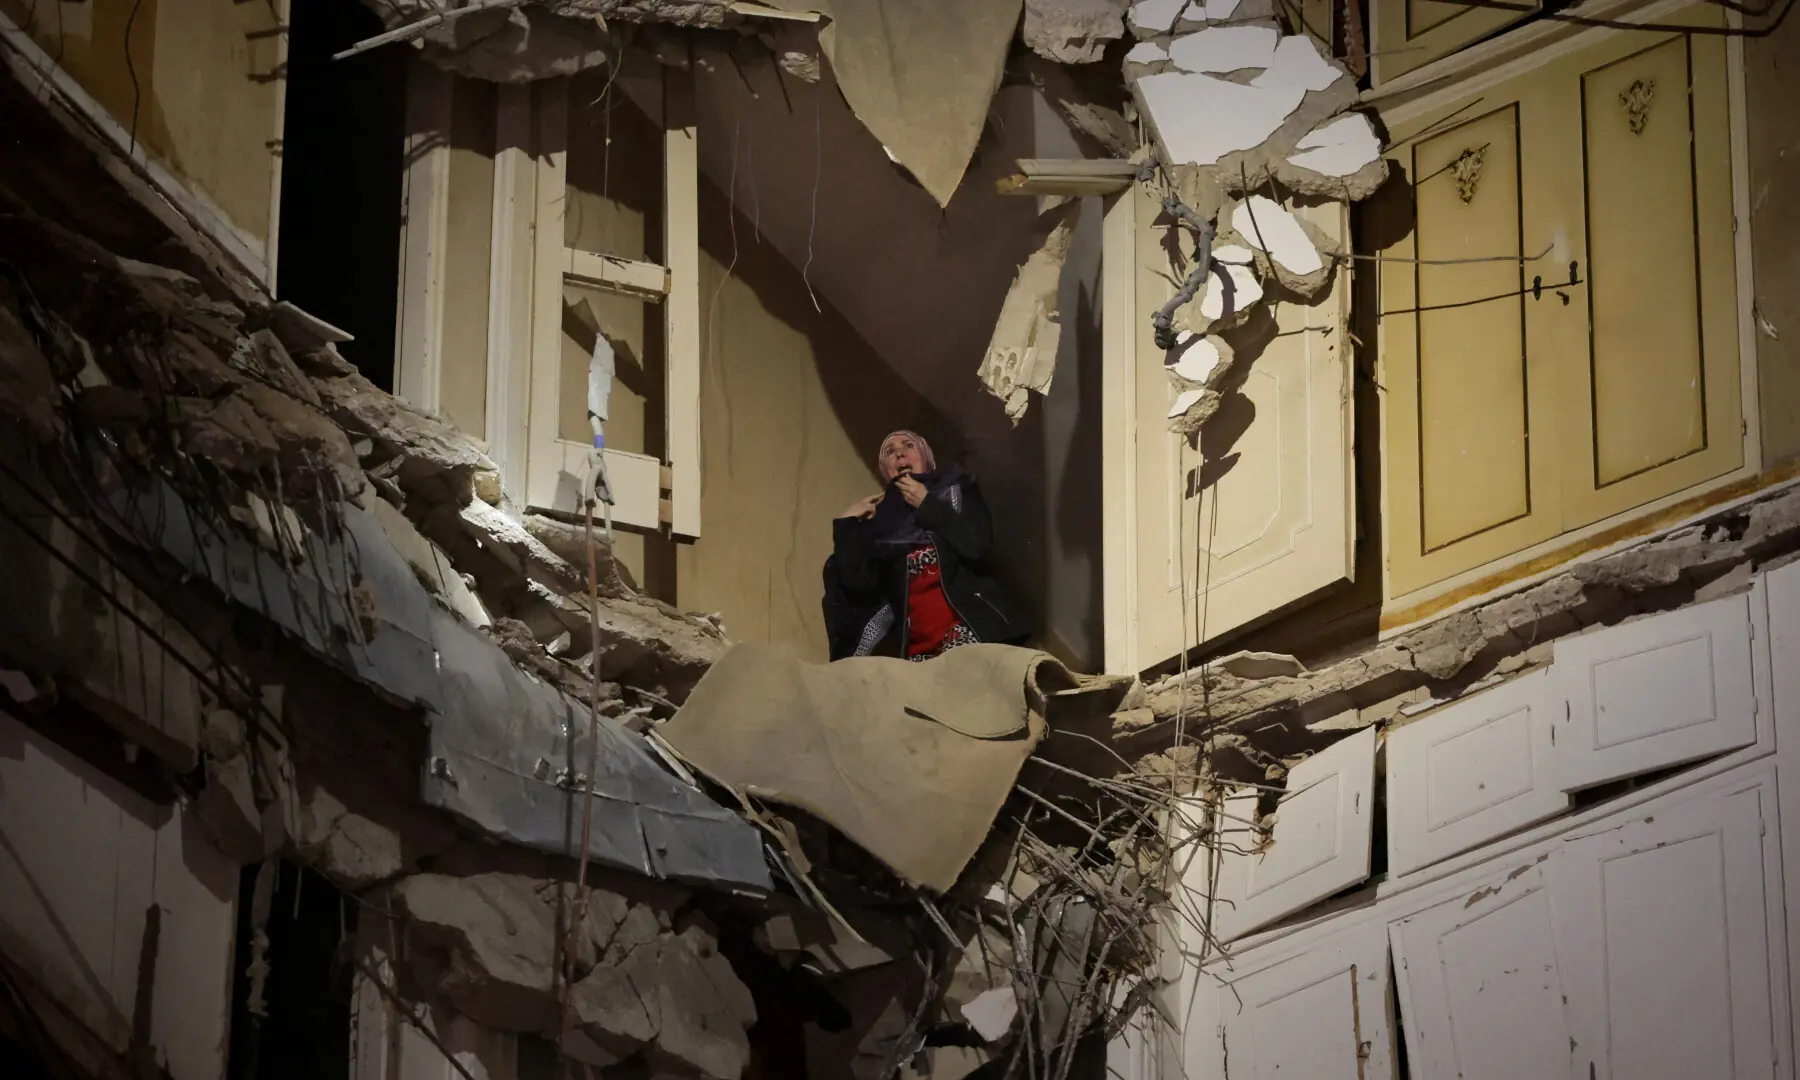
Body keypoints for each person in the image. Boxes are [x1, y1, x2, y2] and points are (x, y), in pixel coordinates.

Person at [822, 430, 1029, 661]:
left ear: (926, 458)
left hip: (972, 632)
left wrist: (927, 503)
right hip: (917, 654)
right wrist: (846, 525)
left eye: (908, 445)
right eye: (890, 452)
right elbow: (859, 585)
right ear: (885, 470)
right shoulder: (877, 523)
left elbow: (977, 544)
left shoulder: (957, 491)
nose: (899, 454)